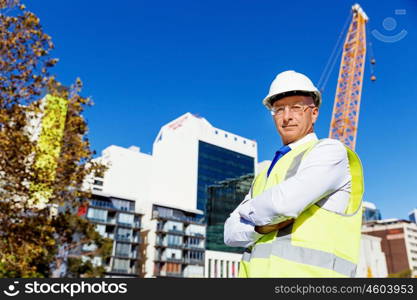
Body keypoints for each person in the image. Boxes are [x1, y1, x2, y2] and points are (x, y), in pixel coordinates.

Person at [224, 70, 364, 277]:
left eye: (297, 108)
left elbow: (283, 204)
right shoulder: (263, 175)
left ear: (314, 113)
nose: (287, 117)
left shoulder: (329, 151)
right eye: (279, 109)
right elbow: (229, 232)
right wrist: (258, 228)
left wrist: (245, 213)